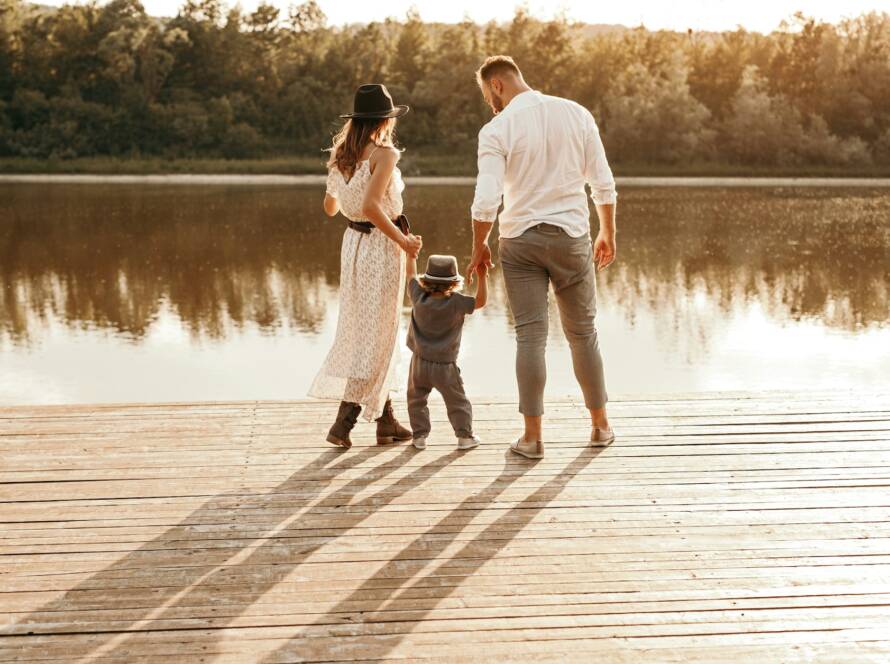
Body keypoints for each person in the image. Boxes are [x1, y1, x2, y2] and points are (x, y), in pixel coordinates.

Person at [466, 55, 618, 460]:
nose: (489, 104)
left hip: (520, 243)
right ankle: (601, 428)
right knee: (583, 334)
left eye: (486, 94)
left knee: (531, 335)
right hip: (572, 237)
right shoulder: (576, 114)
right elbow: (602, 182)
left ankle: (532, 440)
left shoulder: (497, 128)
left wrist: (479, 244)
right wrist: (608, 231)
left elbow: (486, 199)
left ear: (497, 84)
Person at [308, 83, 422, 449]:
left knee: (372, 330)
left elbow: (330, 207)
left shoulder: (341, 154)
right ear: (384, 120)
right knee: (379, 334)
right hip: (380, 247)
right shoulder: (384, 155)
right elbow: (374, 206)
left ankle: (386, 421)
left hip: (353, 244)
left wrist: (345, 193)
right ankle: (344, 421)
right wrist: (403, 241)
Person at [405, 253, 487, 451]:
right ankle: (465, 437)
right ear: (453, 282)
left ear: (427, 280)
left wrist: (411, 254)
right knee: (457, 401)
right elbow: (480, 302)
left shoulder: (418, 296)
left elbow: (410, 274)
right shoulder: (457, 302)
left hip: (419, 362)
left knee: (416, 400)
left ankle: (419, 436)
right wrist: (483, 277)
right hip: (445, 366)